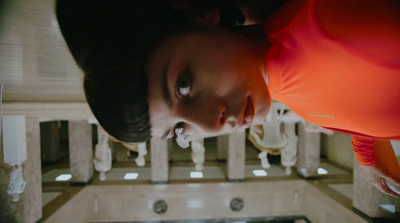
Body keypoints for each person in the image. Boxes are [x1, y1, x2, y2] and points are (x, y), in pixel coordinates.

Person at [56, 0, 400, 197]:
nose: (210, 123)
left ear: (199, 14)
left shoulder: (331, 23)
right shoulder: (275, 79)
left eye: (184, 85)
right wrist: (367, 149)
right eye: (179, 129)